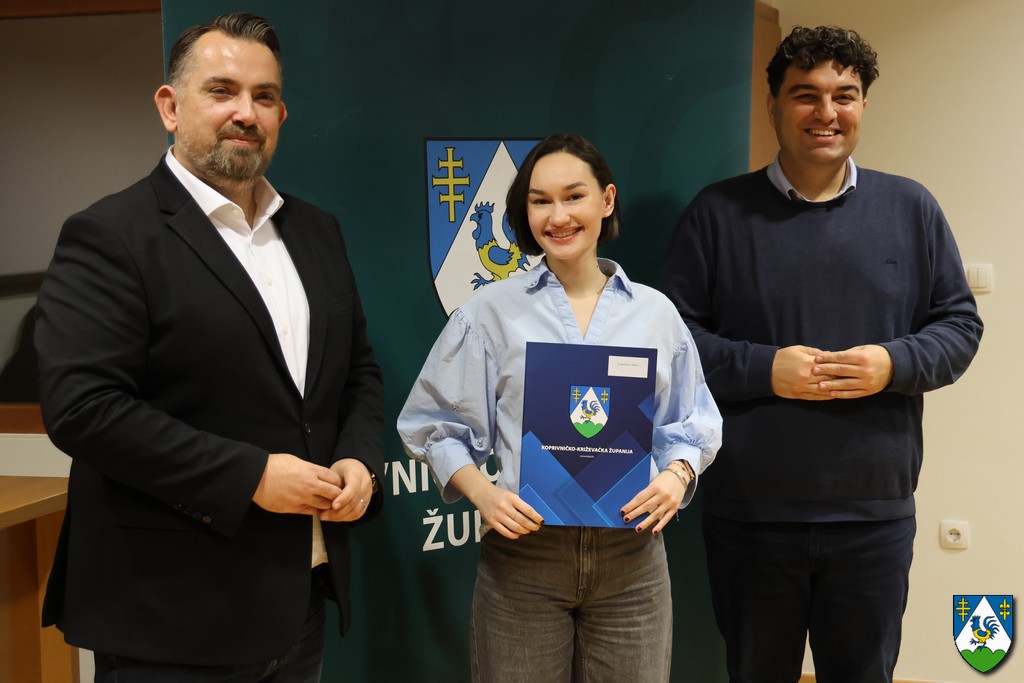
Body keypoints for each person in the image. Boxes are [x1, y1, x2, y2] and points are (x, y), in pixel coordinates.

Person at [35, 13, 385, 682]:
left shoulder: (317, 231)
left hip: (299, 601)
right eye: (222, 91)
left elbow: (358, 372)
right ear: (170, 107)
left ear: (281, 114)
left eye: (263, 96)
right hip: (171, 618)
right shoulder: (110, 234)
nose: (245, 113)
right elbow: (83, 409)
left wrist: (359, 458)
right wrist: (251, 476)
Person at [660, 26, 983, 683]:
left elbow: (959, 325)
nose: (826, 112)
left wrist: (893, 363)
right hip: (750, 516)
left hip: (873, 516)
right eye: (805, 94)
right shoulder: (716, 214)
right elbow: (671, 342)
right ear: (773, 104)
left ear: (863, 105)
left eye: (845, 94)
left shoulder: (911, 208)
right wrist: (764, 369)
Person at [398, 133, 722, 682]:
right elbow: (435, 424)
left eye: (574, 196)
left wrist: (677, 475)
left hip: (632, 557)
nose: (558, 216)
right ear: (525, 213)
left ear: (607, 200)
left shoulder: (655, 314)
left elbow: (694, 421)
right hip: (525, 554)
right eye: (540, 201)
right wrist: (483, 494)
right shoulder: (490, 312)